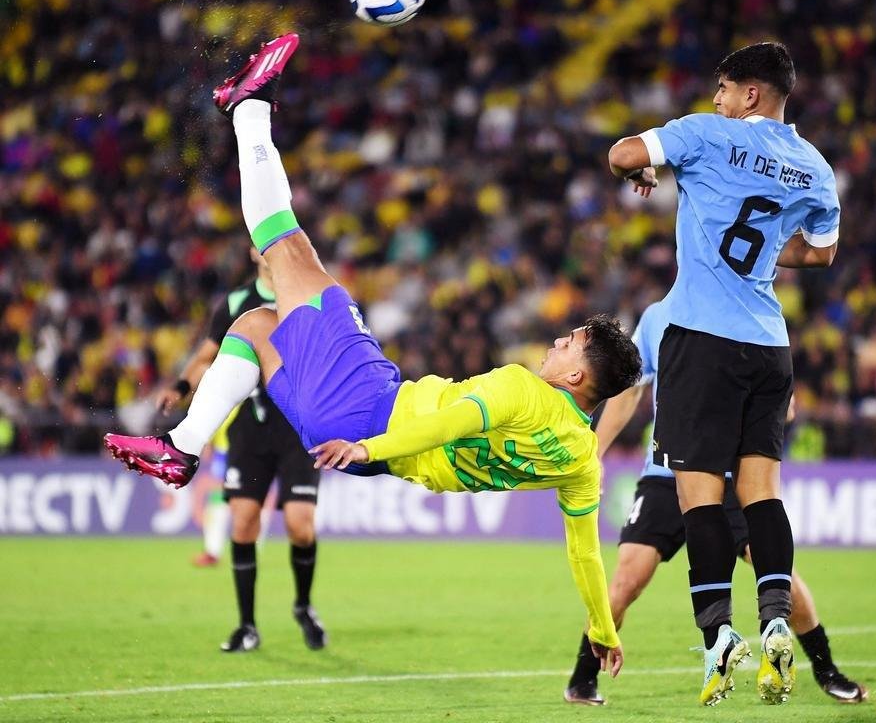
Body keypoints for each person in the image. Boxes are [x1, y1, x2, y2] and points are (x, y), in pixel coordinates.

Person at [103, 33, 641, 678]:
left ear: (577, 375)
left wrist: (369, 445)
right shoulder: (581, 460)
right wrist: (602, 629)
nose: (556, 343)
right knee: (253, 325)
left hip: (370, 414)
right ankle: (184, 444)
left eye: (569, 343)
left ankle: (248, 106)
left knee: (287, 248)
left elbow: (451, 422)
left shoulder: (525, 391)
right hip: (357, 443)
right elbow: (584, 554)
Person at [607, 42, 839, 706]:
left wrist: (641, 174)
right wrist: (761, 256)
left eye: (725, 88)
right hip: (770, 346)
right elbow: (821, 253)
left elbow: (622, 154)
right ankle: (774, 617)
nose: (716, 99)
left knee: (699, 498)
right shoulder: (814, 166)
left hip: (702, 341)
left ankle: (719, 634)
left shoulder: (706, 135)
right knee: (762, 492)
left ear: (752, 97)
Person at [563, 300, 866, 706]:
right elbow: (629, 388)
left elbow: (782, 404)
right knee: (625, 581)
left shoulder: (745, 311)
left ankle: (827, 670)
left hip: (727, 477)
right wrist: (595, 451)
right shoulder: (659, 318)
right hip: (665, 475)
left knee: (776, 573)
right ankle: (583, 678)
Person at [156, 248, 326, 652]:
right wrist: (181, 387)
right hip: (251, 429)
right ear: (253, 252)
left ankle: (303, 606)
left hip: (297, 428)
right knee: (244, 522)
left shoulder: (306, 294)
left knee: (301, 526)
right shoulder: (237, 303)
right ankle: (247, 626)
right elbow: (206, 356)